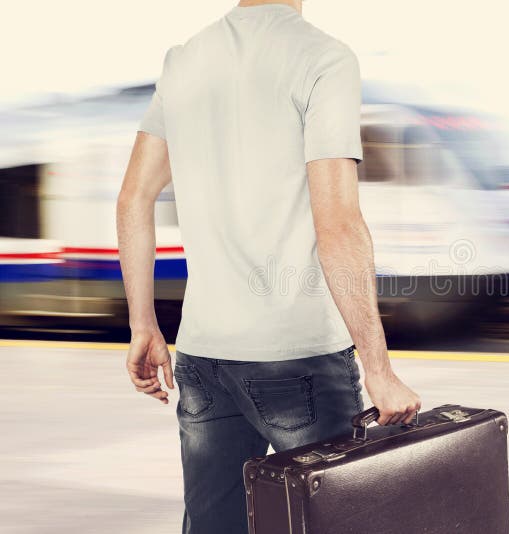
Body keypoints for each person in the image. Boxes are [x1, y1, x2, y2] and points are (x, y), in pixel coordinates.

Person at [116, 1, 421, 532]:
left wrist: (144, 325)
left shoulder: (184, 60)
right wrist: (378, 369)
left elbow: (133, 198)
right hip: (299, 358)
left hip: (203, 354)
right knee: (333, 521)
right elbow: (340, 224)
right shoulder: (323, 58)